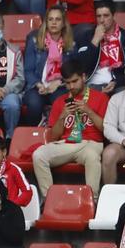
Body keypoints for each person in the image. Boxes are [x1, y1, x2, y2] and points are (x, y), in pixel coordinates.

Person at [32, 62, 107, 192]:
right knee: (38, 155)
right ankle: (49, 199)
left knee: (92, 157)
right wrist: (62, 116)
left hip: (92, 143)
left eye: (74, 81)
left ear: (83, 77)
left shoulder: (100, 98)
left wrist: (88, 111)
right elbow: (54, 138)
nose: (71, 86)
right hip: (67, 144)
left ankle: (92, 202)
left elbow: (105, 131)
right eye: (67, 83)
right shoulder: (60, 101)